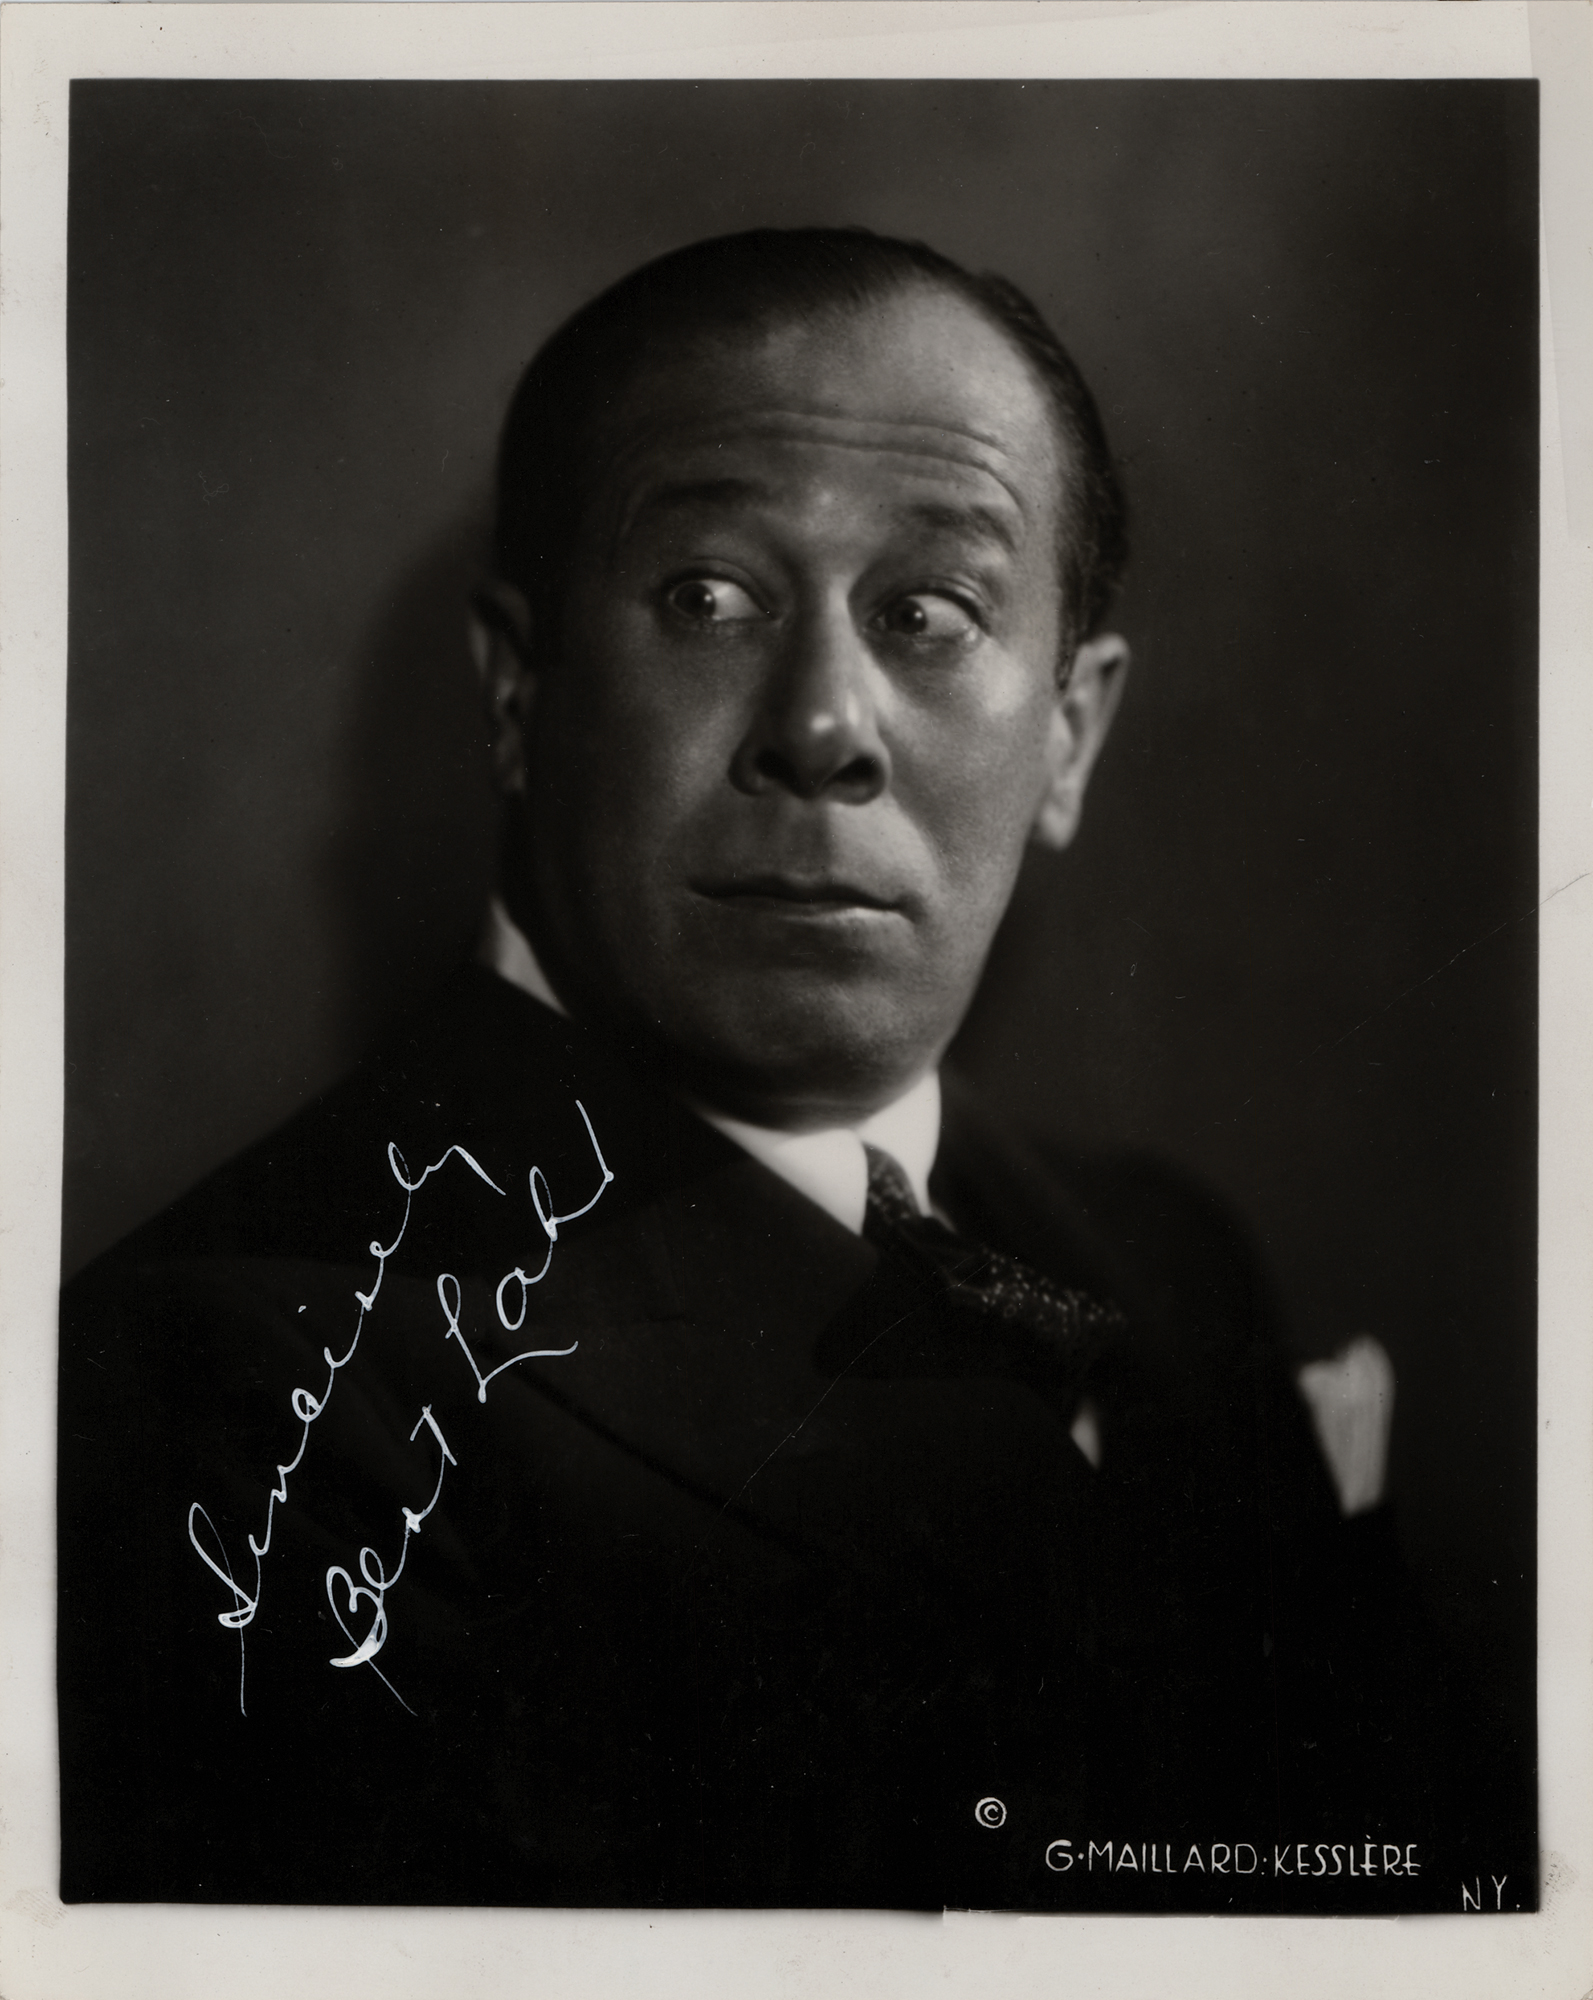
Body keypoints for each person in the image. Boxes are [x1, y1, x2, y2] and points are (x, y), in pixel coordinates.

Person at [57, 229, 1474, 1912]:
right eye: (706, 599)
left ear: (1069, 736)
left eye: (927, 613)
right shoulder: (224, 1396)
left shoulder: (1168, 1261)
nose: (822, 725)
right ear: (517, 691)